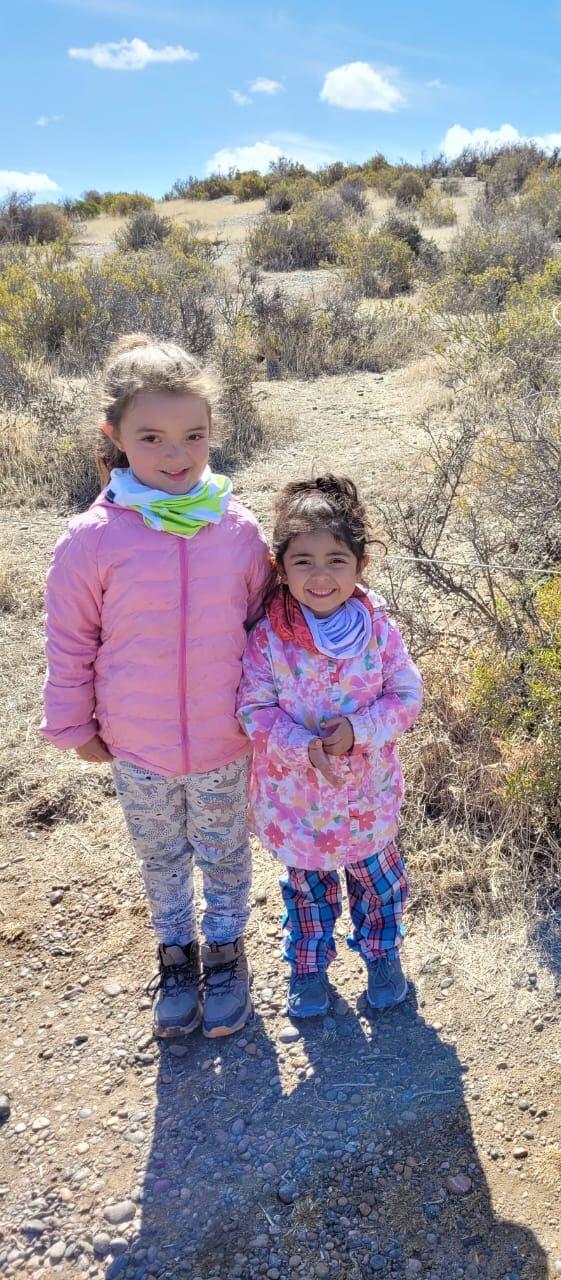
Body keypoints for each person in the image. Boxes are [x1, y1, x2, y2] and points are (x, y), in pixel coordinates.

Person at [40, 334, 271, 1039]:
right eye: (151, 437)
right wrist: (73, 726)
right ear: (114, 437)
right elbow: (71, 642)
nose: (176, 455)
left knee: (227, 850)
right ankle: (177, 955)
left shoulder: (237, 529)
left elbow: (264, 628)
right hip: (136, 743)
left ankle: (226, 952)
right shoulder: (92, 538)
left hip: (225, 737)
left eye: (193, 436)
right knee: (163, 855)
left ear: (212, 433)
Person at [237, 475, 423, 1017]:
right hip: (298, 802)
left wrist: (360, 730)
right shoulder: (268, 637)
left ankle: (382, 958)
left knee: (379, 886)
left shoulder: (378, 628)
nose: (321, 576)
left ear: (360, 566)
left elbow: (407, 695)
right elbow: (253, 709)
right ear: (280, 568)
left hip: (367, 794)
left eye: (336, 560)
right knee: (308, 892)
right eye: (304, 562)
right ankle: (309, 967)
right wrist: (301, 745)